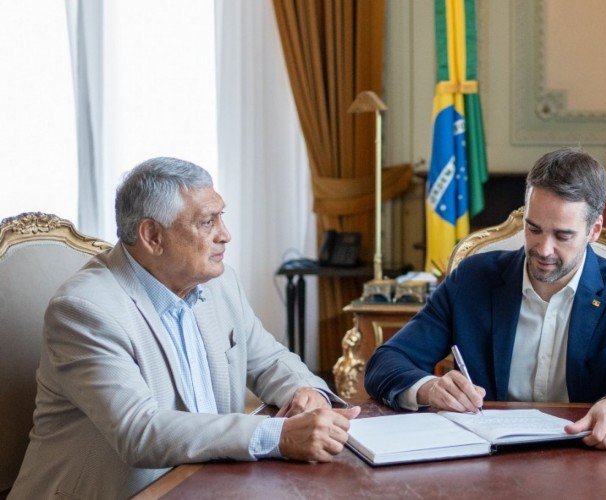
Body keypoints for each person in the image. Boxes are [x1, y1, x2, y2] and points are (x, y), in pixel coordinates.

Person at [10, 158, 359, 499]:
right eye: (207, 222)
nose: (226, 235)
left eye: (222, 217)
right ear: (152, 236)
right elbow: (140, 431)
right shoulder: (85, 309)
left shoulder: (219, 283)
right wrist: (277, 435)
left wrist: (303, 392)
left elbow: (268, 359)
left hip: (206, 481)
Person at [365, 148, 606, 450]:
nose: (544, 249)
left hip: (584, 453)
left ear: (594, 231)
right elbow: (386, 362)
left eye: (562, 236)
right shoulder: (472, 280)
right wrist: (429, 389)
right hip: (487, 460)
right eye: (533, 228)